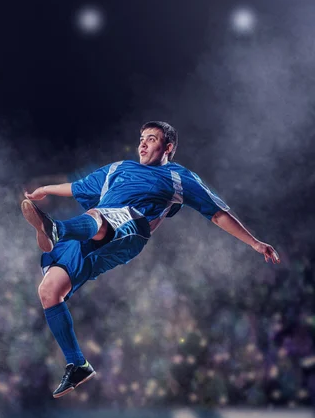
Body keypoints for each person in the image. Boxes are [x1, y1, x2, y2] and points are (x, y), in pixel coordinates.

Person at [21, 121, 281, 398]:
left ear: (168, 147)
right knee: (49, 290)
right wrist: (46, 189)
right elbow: (78, 187)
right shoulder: (118, 168)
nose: (143, 144)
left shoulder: (179, 177)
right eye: (142, 138)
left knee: (97, 216)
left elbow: (216, 213)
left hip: (132, 227)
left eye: (152, 139)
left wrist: (254, 242)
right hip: (95, 230)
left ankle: (55, 230)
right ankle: (78, 364)